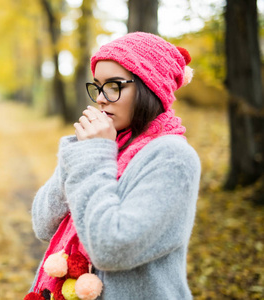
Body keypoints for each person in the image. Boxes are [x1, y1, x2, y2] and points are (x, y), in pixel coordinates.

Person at [25, 32, 201, 300]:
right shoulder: (108, 145)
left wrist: (93, 155)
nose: (101, 98)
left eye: (115, 85)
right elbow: (43, 224)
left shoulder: (172, 157)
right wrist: (80, 150)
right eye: (98, 86)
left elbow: (111, 250)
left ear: (149, 87)